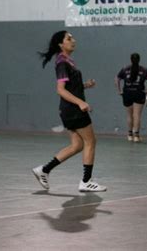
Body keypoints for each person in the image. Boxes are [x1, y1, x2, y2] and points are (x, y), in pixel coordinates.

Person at [32, 31, 106, 192]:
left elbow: (71, 86)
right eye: (69, 38)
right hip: (73, 110)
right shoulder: (61, 63)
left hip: (68, 110)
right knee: (90, 142)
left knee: (77, 145)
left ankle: (44, 170)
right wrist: (80, 103)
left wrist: (85, 85)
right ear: (61, 44)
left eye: (72, 37)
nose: (73, 40)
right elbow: (60, 90)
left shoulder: (67, 61)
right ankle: (86, 181)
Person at [115, 53, 147, 142]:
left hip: (127, 93)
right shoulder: (144, 70)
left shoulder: (125, 69)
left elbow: (117, 78)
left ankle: (129, 135)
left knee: (129, 115)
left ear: (131, 59)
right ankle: (136, 136)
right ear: (139, 60)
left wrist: (119, 90)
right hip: (139, 93)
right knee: (137, 115)